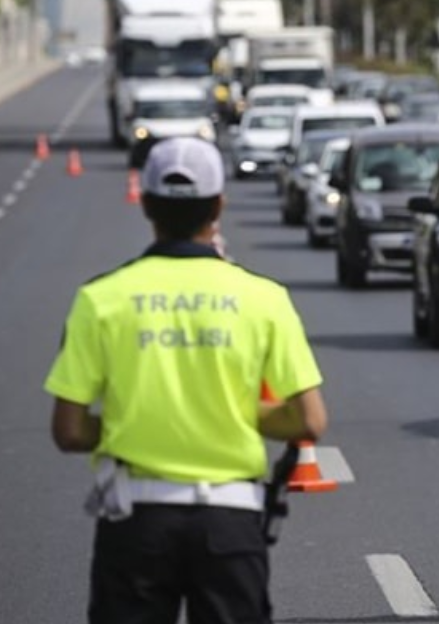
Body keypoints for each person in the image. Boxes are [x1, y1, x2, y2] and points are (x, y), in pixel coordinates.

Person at [45, 136, 328, 624]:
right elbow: (309, 420)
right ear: (218, 205)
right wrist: (235, 414)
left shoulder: (100, 299)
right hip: (231, 522)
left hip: (135, 522)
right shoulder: (264, 298)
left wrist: (130, 422)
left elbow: (69, 430)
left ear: (147, 204)